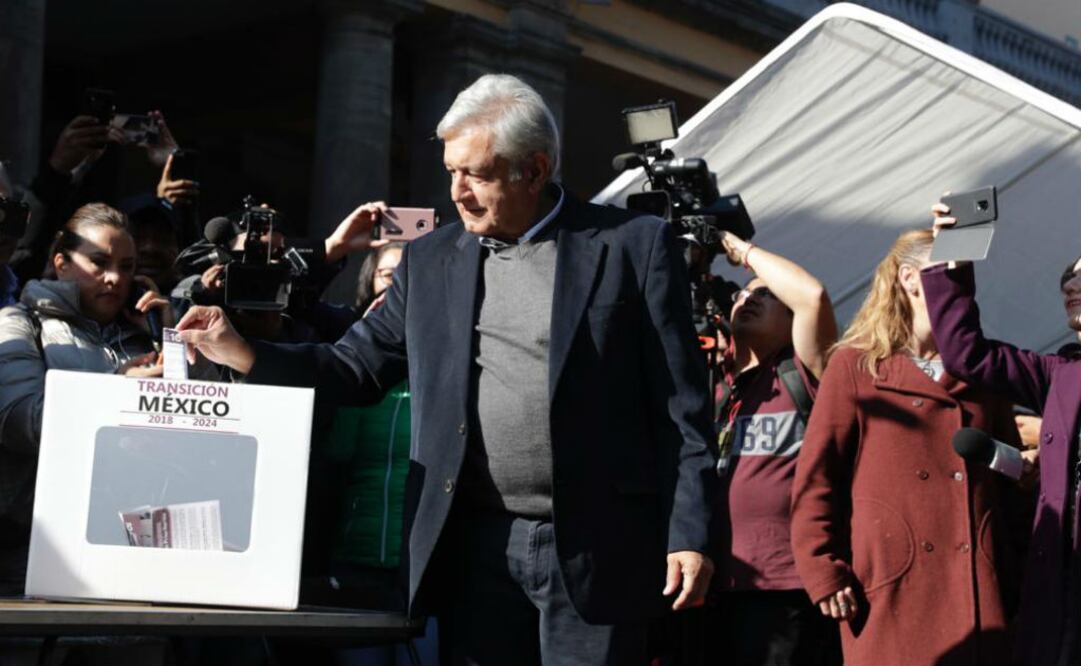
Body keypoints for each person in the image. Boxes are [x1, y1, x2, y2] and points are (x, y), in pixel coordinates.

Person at [176, 73, 715, 665]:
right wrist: (243, 353)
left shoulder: (633, 246)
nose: (457, 192)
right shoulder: (431, 260)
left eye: (477, 174)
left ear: (534, 171)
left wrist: (689, 531)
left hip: (597, 544)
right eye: (452, 171)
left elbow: (680, 406)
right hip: (474, 546)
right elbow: (353, 368)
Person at [790, 229, 1025, 666]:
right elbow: (817, 477)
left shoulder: (984, 369)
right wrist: (821, 567)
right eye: (949, 268)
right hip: (890, 587)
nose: (962, 282)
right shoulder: (857, 366)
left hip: (980, 585)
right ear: (910, 278)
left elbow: (1011, 480)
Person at [922, 205, 1081, 666]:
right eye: (1066, 279)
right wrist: (952, 260)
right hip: (1059, 582)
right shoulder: (1060, 372)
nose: (1071, 286)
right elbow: (966, 355)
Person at [0, 203, 170, 592]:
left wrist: (172, 339)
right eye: (99, 262)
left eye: (127, 267)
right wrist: (119, 388)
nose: (114, 278)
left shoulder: (149, 335)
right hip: (37, 554)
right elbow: (21, 421)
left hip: (136, 553)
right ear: (61, 263)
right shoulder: (19, 322)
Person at [705, 232, 839, 665]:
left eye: (768, 295)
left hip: (786, 588)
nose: (750, 298)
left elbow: (813, 296)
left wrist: (740, 251)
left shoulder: (805, 370)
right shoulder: (714, 386)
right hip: (714, 587)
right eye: (742, 295)